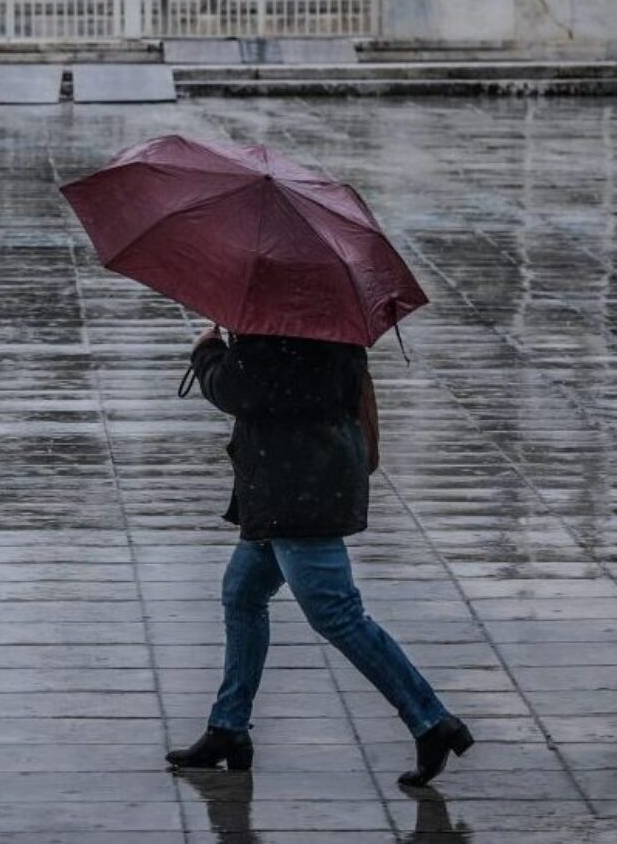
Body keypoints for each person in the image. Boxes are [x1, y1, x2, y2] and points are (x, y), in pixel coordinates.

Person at [166, 323, 473, 788]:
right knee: (243, 594)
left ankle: (431, 722)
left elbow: (238, 391)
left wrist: (207, 352)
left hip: (297, 489)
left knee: (336, 613)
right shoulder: (329, 318)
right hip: (300, 479)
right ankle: (228, 727)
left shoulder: (278, 325)